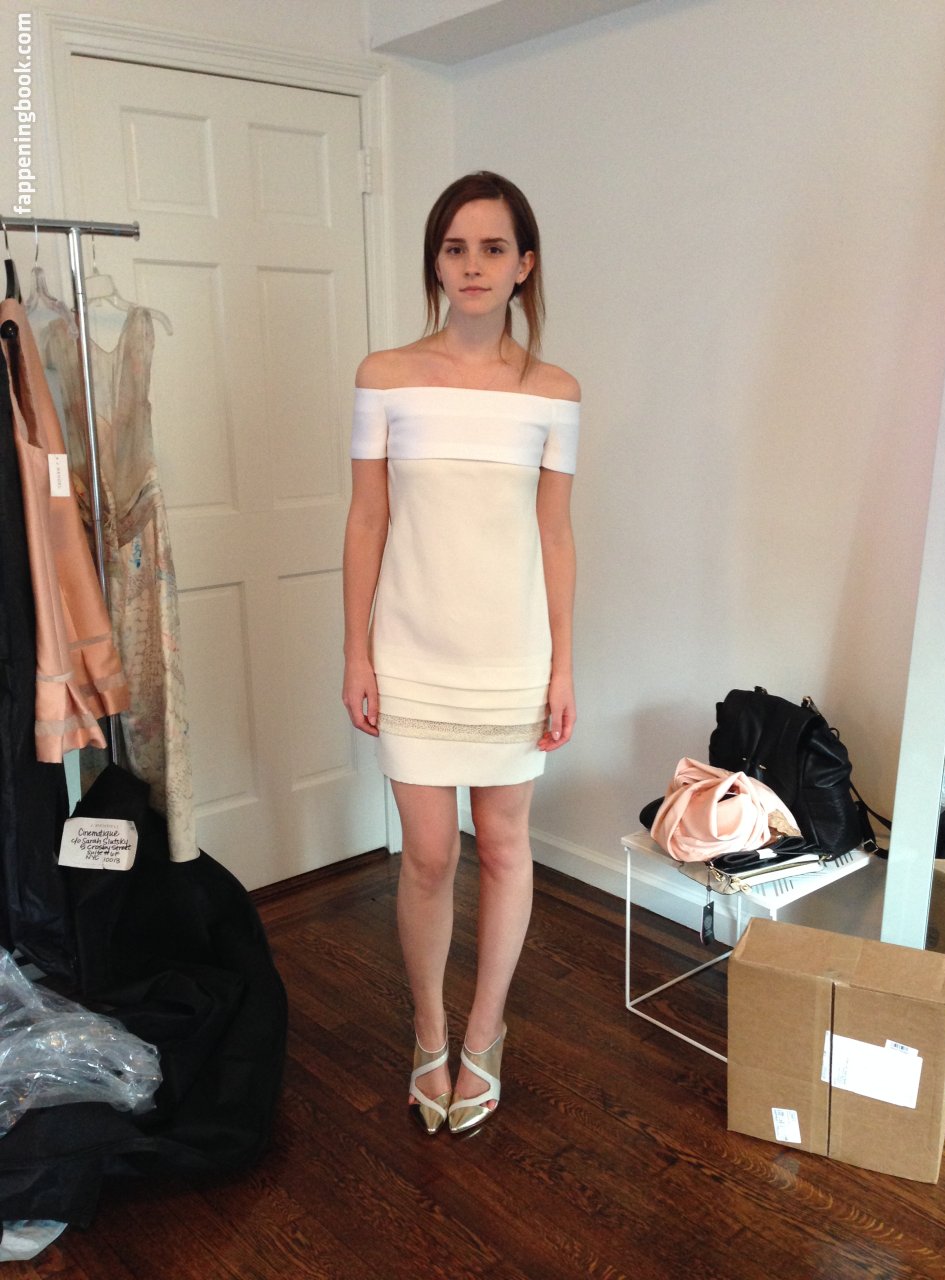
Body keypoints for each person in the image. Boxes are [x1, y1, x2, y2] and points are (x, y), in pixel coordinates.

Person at [342, 171, 579, 1135]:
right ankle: (429, 1032)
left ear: (524, 266)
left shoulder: (554, 394)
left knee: (508, 846)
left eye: (492, 248)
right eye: (454, 248)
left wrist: (564, 667)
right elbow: (367, 519)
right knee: (431, 855)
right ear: (435, 263)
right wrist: (355, 653)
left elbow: (555, 534)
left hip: (512, 655)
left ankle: (485, 1036)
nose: (472, 265)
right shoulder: (384, 375)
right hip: (411, 649)